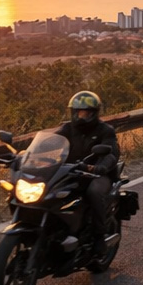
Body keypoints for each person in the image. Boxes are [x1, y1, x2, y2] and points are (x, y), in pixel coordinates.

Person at [55, 90, 119, 234]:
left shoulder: (105, 130)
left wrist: (100, 167)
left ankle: (99, 235)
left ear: (94, 113)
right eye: (78, 113)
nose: (81, 117)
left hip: (97, 174)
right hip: (71, 171)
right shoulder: (67, 128)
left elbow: (111, 153)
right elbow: (48, 143)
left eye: (85, 113)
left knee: (94, 192)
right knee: (50, 192)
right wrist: (24, 156)